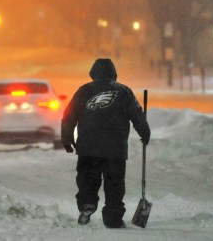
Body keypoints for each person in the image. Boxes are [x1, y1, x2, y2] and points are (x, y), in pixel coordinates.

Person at [61, 58, 150, 228]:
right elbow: (137, 114)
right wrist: (145, 133)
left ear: (93, 73)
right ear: (114, 74)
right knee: (114, 184)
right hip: (114, 149)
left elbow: (69, 115)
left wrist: (67, 138)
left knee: (87, 179)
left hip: (88, 147)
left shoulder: (84, 90)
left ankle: (87, 203)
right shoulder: (124, 91)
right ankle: (113, 218)